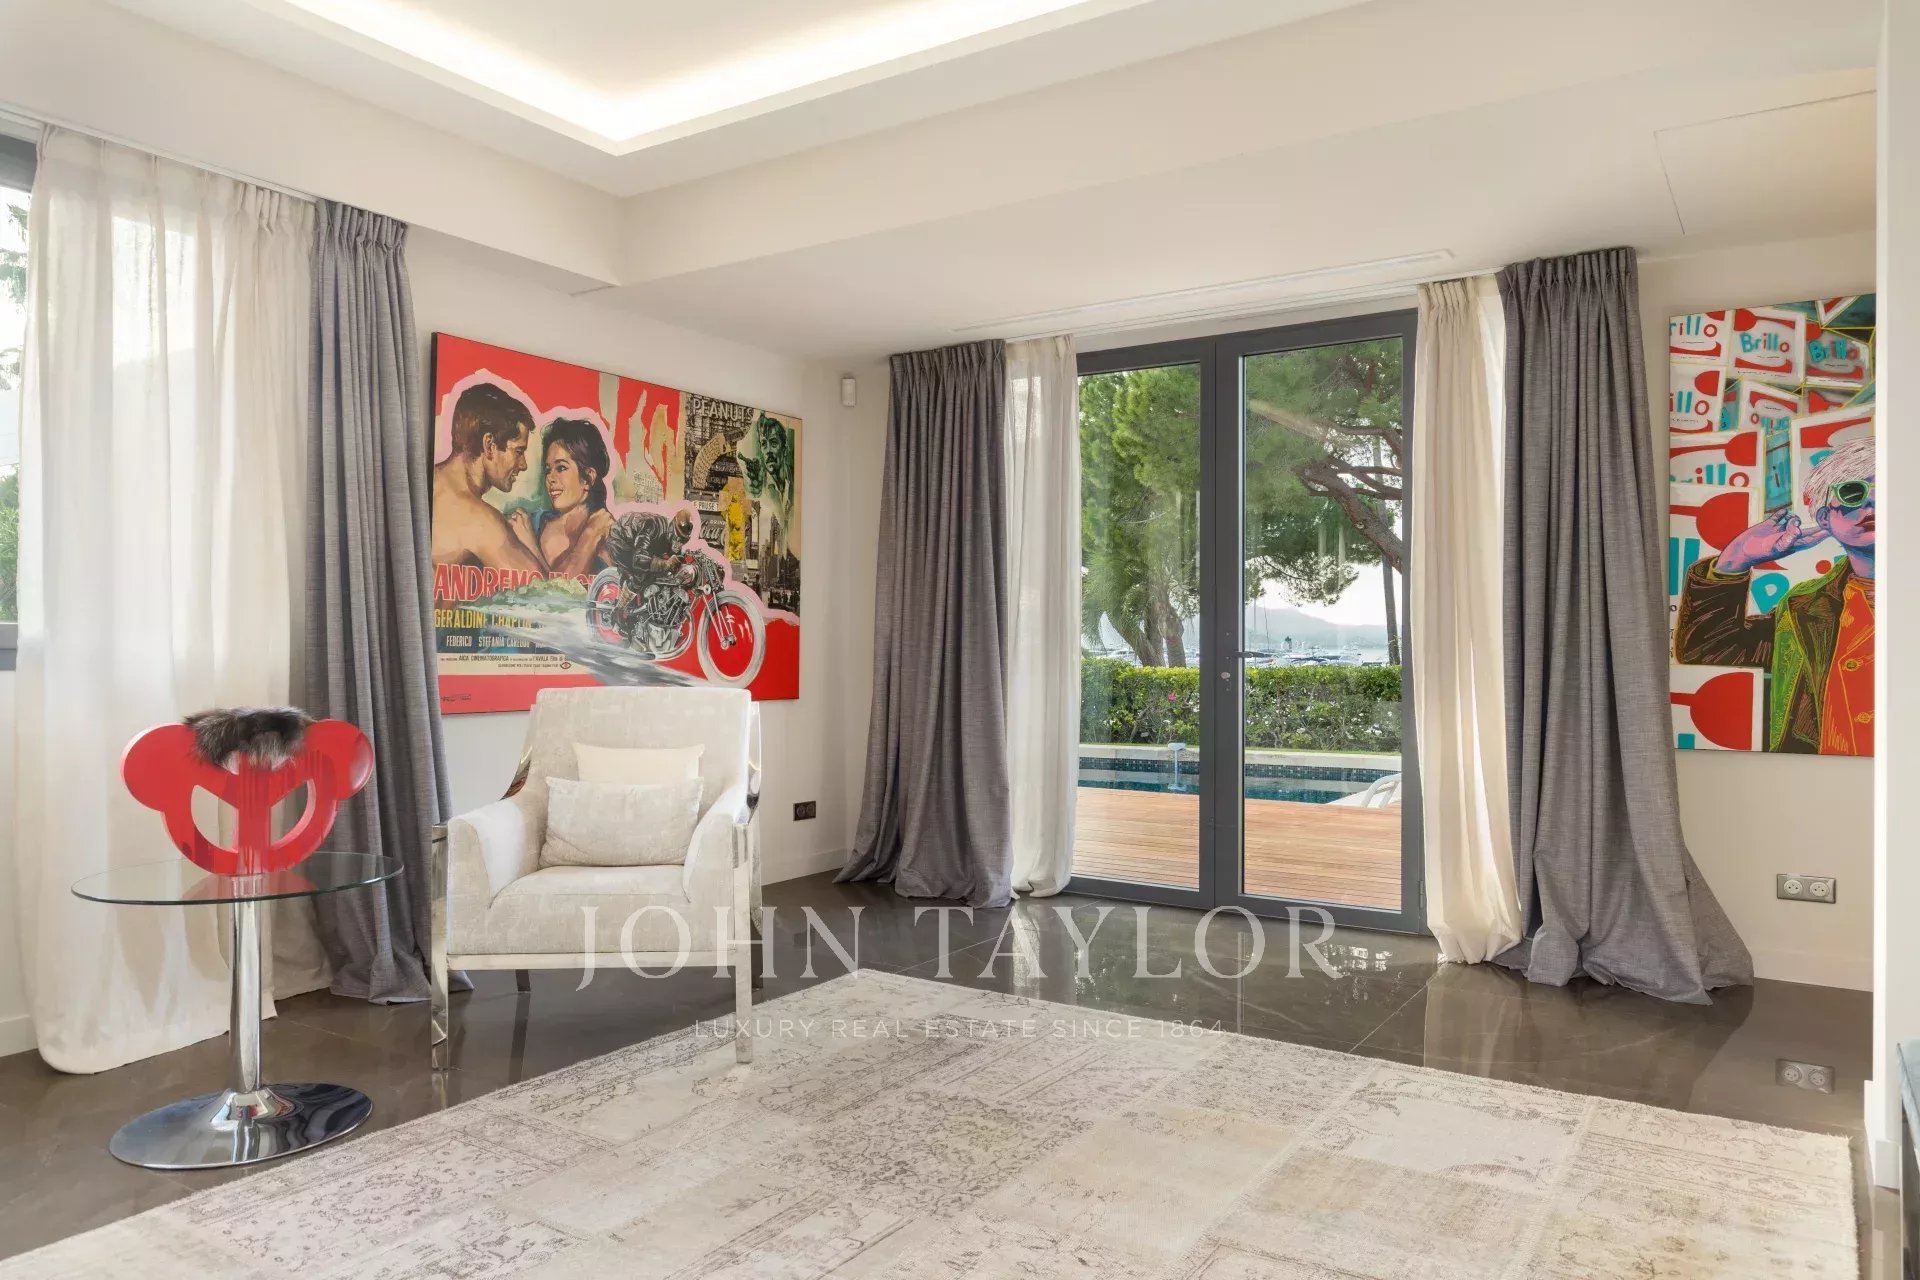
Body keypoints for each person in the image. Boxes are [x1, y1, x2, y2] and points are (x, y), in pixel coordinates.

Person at [1673, 436, 1876, 754]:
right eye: (1854, 492)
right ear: (1825, 518)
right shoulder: (1804, 609)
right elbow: (1708, 650)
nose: (1873, 503)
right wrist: (1736, 557)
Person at [430, 381, 541, 571]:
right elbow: (547, 589)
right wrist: (531, 546)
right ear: (489, 445)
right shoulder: (481, 521)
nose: (523, 465)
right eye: (518, 451)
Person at [522, 417, 613, 579]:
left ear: (588, 478)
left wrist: (589, 536)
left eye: (561, 468)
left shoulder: (611, 538)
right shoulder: (529, 525)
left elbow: (558, 592)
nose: (550, 478)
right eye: (548, 470)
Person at [602, 507, 699, 640]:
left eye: (683, 540)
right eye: (678, 537)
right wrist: (665, 564)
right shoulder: (651, 526)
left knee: (663, 574)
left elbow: (675, 562)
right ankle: (619, 610)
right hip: (621, 539)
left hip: (640, 545)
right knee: (640, 574)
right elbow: (639, 560)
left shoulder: (672, 538)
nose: (679, 543)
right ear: (672, 527)